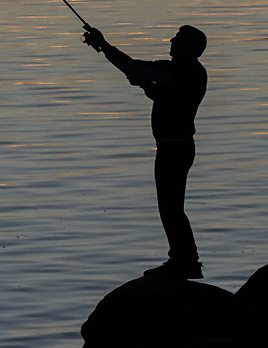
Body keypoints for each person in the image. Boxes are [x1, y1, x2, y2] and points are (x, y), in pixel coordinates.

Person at [83, 23, 208, 279]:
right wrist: (145, 85)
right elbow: (170, 96)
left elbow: (131, 66)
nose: (172, 40)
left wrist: (102, 44)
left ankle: (185, 261)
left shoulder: (177, 70)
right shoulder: (193, 72)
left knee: (170, 208)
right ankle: (185, 259)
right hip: (178, 147)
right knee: (172, 208)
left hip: (173, 149)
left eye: (178, 39)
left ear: (188, 48)